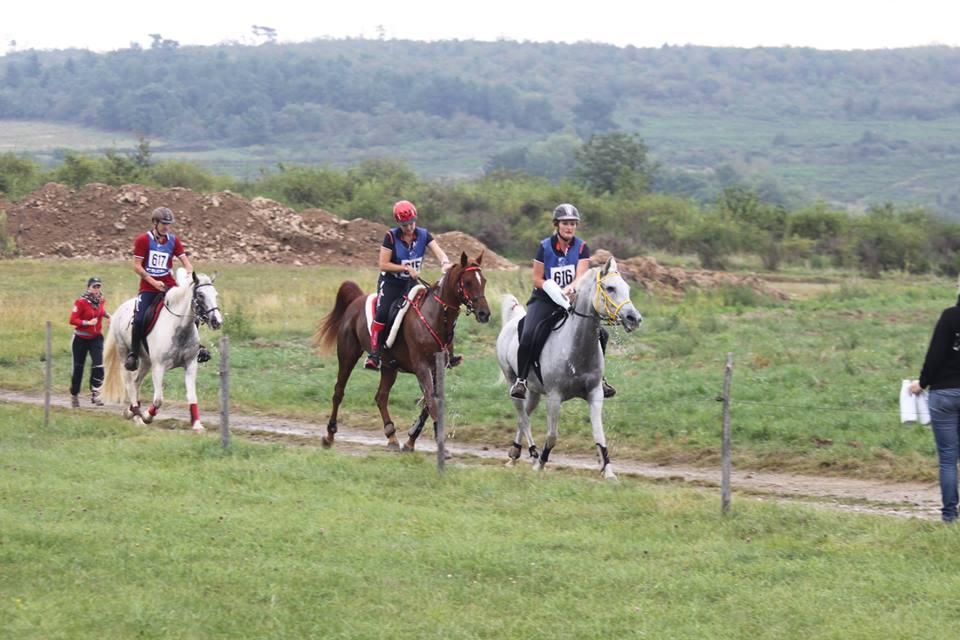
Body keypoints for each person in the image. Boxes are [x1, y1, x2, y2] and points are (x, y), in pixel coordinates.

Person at [509, 203, 616, 400]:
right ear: (556, 225)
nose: (569, 227)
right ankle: (521, 380)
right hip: (544, 298)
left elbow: (580, 276)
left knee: (602, 334)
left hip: (571, 298)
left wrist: (569, 290)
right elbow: (537, 279)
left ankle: (599, 378)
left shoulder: (582, 247)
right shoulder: (544, 247)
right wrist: (554, 290)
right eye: (565, 223)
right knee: (529, 332)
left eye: (573, 223)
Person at [365, 199, 454, 370]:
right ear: (398, 223)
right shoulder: (390, 237)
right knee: (383, 312)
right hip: (391, 283)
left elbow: (439, 252)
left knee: (436, 308)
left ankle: (447, 351)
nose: (409, 227)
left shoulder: (423, 235)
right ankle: (375, 354)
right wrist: (405, 268)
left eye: (412, 223)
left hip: (411, 284)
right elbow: (383, 264)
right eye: (405, 225)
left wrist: (445, 263)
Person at [125, 206, 203, 371]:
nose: (166, 227)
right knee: (139, 319)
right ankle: (134, 354)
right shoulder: (143, 240)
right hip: (148, 288)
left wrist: (190, 274)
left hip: (169, 286)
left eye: (169, 224)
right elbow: (137, 266)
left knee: (191, 310)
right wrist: (153, 282)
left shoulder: (174, 241)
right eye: (163, 223)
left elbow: (186, 262)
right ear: (155, 222)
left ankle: (196, 346)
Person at [910, 283, 960, 523]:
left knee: (948, 459)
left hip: (944, 393)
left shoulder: (950, 316)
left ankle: (949, 515)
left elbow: (935, 354)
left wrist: (922, 382)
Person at [69, 276, 110, 407]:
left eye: (98, 286)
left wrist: (109, 316)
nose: (96, 289)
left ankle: (96, 393)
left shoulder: (101, 300)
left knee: (99, 365)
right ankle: (74, 394)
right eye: (94, 287)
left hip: (96, 338)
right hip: (80, 338)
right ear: (88, 288)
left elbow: (101, 311)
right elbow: (72, 320)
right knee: (78, 368)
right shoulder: (80, 302)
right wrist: (87, 323)